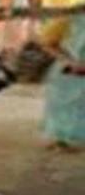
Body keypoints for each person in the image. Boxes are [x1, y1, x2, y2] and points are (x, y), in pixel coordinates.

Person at [38, 12, 85, 151]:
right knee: (63, 107)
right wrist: (69, 61)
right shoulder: (68, 20)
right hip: (69, 71)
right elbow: (48, 44)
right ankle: (62, 140)